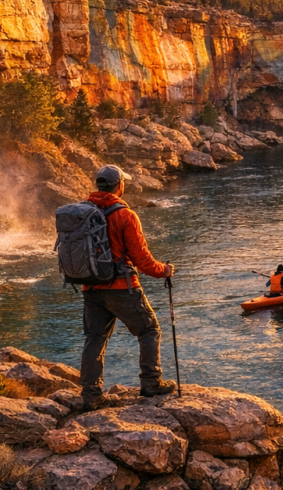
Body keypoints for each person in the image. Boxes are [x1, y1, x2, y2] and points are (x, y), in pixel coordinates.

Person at [80, 164, 177, 410]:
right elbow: (142, 260)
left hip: (91, 287)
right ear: (119, 186)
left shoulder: (83, 211)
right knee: (149, 330)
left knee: (95, 338)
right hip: (122, 286)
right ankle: (151, 384)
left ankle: (91, 396)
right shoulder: (125, 215)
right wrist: (163, 270)